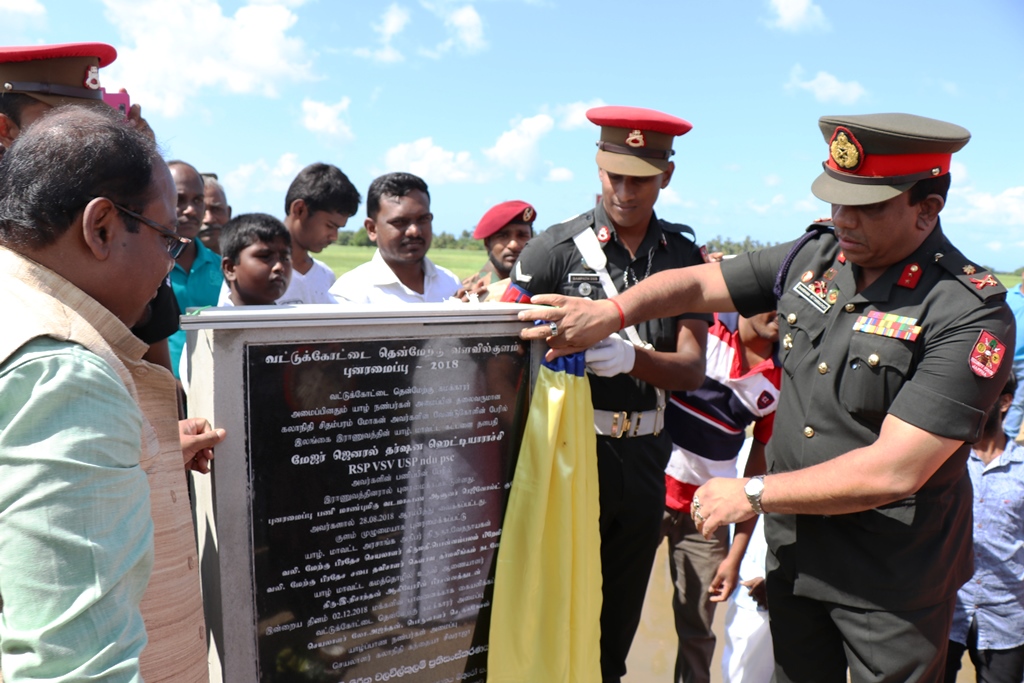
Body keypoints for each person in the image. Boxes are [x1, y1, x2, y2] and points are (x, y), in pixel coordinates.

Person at [519, 113, 1014, 682]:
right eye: (836, 201)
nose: (844, 220)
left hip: (890, 579)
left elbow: (897, 470)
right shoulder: (816, 256)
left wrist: (752, 493)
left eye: (868, 207)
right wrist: (611, 312)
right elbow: (702, 283)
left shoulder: (968, 310)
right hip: (796, 556)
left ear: (927, 209)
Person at [0, 106, 223, 682]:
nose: (168, 269)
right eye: (167, 240)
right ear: (101, 228)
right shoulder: (68, 375)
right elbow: (74, 666)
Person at [506, 105, 709, 682]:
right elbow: (502, 357)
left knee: (616, 626)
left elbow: (692, 369)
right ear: (597, 168)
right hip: (568, 455)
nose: (624, 190)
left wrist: (632, 359)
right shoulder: (553, 250)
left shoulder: (681, 257)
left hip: (645, 459)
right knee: (557, 609)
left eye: (640, 178)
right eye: (613, 175)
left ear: (665, 176)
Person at [0, 42, 178, 375]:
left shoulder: (119, 210)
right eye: (65, 122)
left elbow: (156, 363)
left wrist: (144, 178)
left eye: (96, 121)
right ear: (5, 130)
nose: (88, 135)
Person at [662, 310, 781, 683]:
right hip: (647, 490)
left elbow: (755, 478)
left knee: (698, 630)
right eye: (767, 297)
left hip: (707, 516)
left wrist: (735, 556)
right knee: (614, 602)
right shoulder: (702, 328)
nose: (777, 311)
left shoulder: (783, 377)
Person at [945, 375, 1024, 683]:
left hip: (1007, 618)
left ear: (1005, 402)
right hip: (947, 609)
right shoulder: (947, 462)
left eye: (983, 396)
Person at [329, 172, 461, 304]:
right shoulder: (350, 295)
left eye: (423, 219)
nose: (414, 231)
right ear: (372, 229)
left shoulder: (449, 284)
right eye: (400, 222)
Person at [167, 159, 223, 378]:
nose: (191, 210)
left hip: (214, 384)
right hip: (162, 392)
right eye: (179, 199)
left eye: (198, 200)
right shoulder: (142, 266)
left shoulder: (222, 267)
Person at [275, 162, 359, 304]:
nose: (334, 237)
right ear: (299, 209)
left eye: (338, 228)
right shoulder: (258, 274)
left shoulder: (325, 276)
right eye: (330, 225)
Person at [463, 200, 535, 300]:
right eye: (503, 236)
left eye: (522, 235)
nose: (513, 245)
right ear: (487, 243)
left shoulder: (540, 288)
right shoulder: (468, 292)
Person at [220, 213, 293, 306]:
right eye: (265, 256)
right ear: (230, 268)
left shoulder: (300, 319)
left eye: (285, 258)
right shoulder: (210, 319)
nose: (279, 267)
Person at [1001, 276, 1024, 441]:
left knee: (1019, 402)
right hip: (1002, 357)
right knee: (992, 399)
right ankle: (982, 438)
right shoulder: (1008, 296)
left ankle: (1008, 439)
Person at [198, 174, 232, 254]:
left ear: (228, 213)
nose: (209, 219)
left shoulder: (246, 260)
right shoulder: (168, 263)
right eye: (202, 211)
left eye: (216, 209)